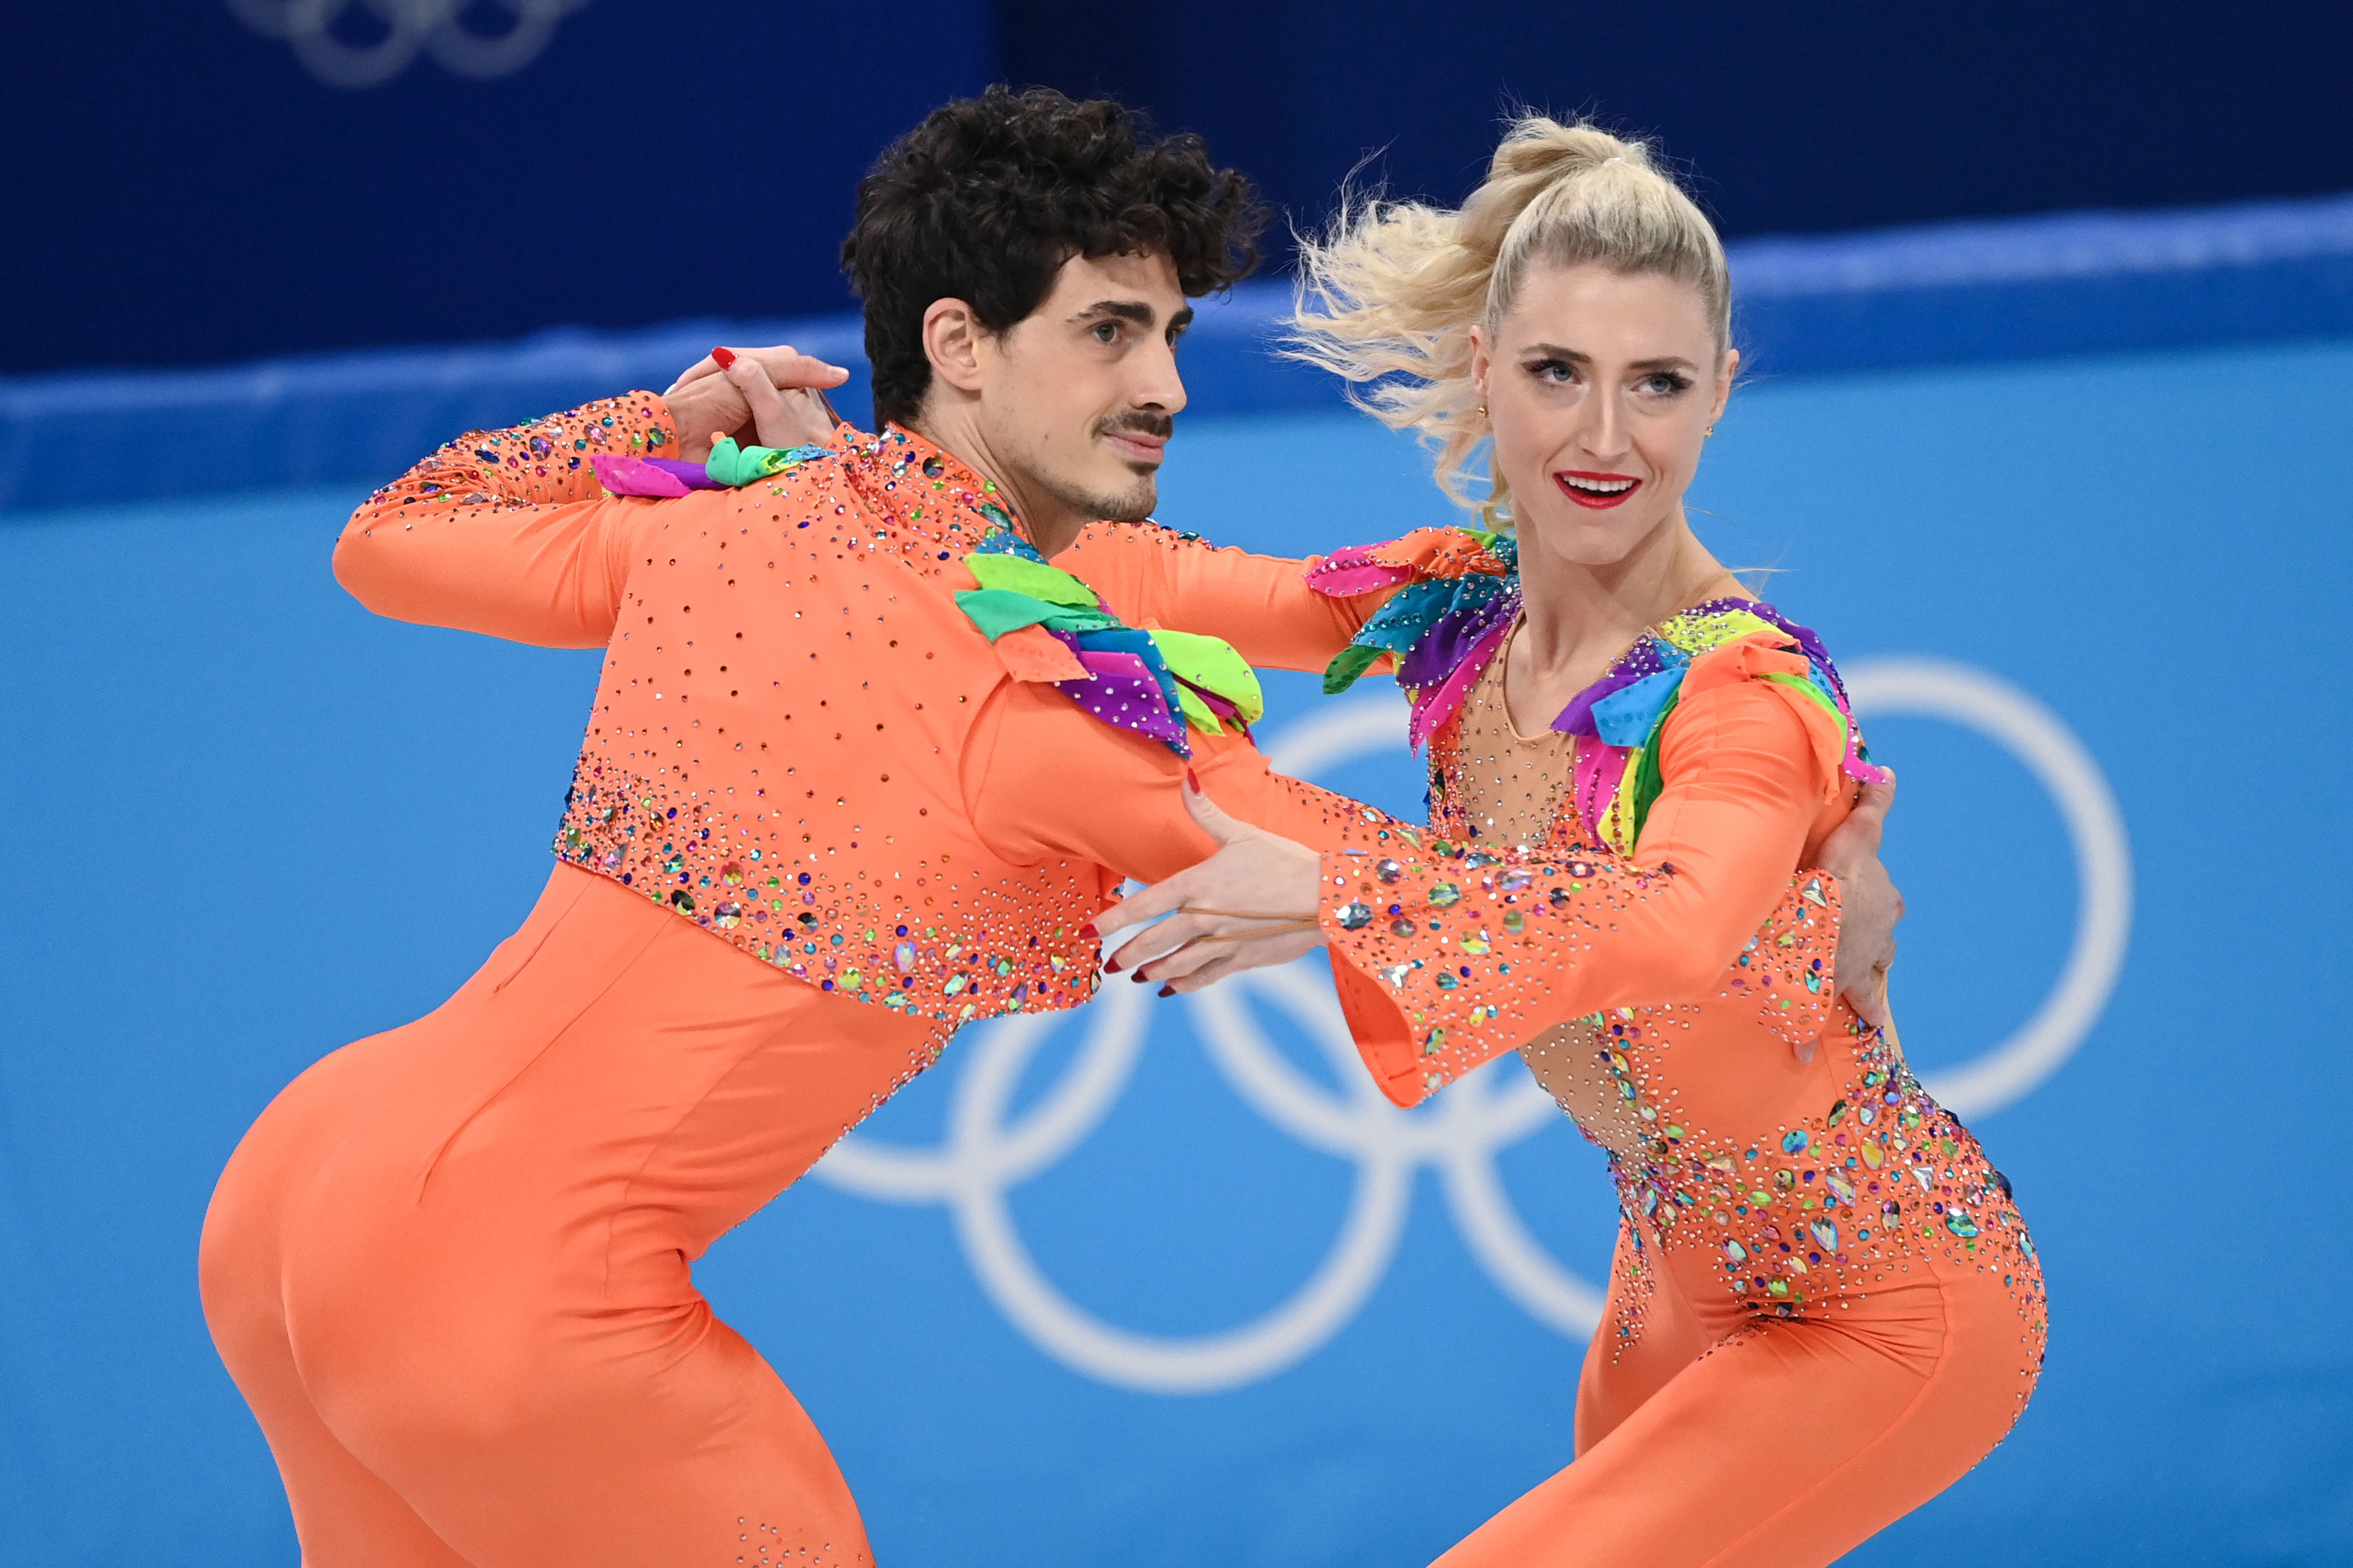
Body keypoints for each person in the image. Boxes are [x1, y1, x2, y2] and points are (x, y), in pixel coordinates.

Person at [194, 90, 1894, 1568]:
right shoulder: (1058, 707)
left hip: (301, 1197)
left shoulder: (743, 520)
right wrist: (1791, 842)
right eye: (1108, 333)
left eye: (1171, 333)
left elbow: (391, 537)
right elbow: (1387, 877)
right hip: (518, 1308)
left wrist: (663, 423)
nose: (1165, 383)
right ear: (958, 343)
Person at [1095, 118, 2046, 1568]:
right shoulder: (1457, 613)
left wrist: (1348, 893)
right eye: (1558, 372)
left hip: (1882, 1302)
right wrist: (846, 486)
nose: (1606, 438)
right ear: (1485, 367)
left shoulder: (1744, 695)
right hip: (1674, 1267)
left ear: (1718, 393)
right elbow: (1146, 575)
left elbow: (1678, 923)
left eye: (1656, 383)